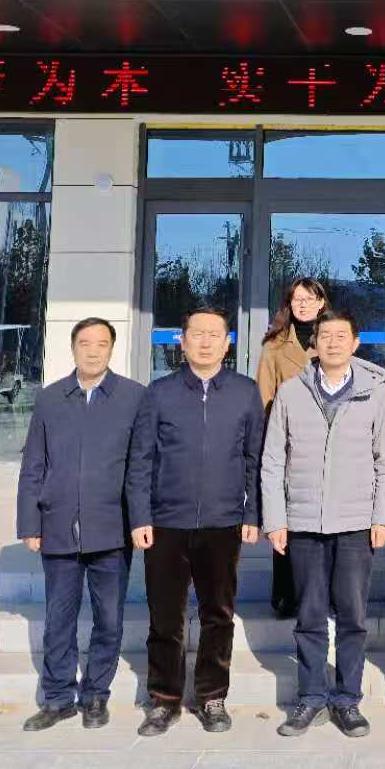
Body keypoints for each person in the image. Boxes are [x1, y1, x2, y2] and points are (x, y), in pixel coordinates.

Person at [130, 307, 264, 738]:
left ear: (228, 344)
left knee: (217, 614)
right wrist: (139, 515)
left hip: (223, 523)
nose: (205, 342)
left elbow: (255, 460)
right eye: (197, 334)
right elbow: (141, 461)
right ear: (181, 342)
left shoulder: (245, 393)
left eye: (215, 335)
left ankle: (211, 696)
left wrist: (252, 513)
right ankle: (164, 699)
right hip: (166, 521)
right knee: (165, 616)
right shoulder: (160, 393)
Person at [261, 307, 385, 740]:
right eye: (325, 336)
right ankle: (312, 697)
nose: (333, 342)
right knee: (310, 615)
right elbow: (273, 459)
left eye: (342, 335)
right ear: (314, 343)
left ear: (356, 343)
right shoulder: (291, 393)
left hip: (356, 523)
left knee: (353, 616)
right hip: (303, 523)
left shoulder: (376, 393)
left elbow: (384, 461)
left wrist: (381, 516)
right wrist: (275, 519)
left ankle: (347, 700)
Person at [15, 317, 151, 732]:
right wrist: (28, 522)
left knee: (108, 618)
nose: (93, 351)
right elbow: (33, 464)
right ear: (73, 348)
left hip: (111, 527)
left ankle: (95, 696)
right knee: (59, 617)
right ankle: (57, 698)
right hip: (58, 526)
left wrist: (140, 519)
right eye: (85, 343)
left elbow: (141, 467)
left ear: (112, 349)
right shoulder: (51, 398)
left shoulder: (133, 397)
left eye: (102, 343)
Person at [256, 276, 331, 620]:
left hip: (328, 444)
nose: (303, 305)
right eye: (296, 299)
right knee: (286, 521)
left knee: (322, 522)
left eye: (309, 299)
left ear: (321, 303)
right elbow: (264, 398)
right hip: (287, 443)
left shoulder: (331, 341)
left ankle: (321, 593)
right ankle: (285, 594)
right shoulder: (273, 346)